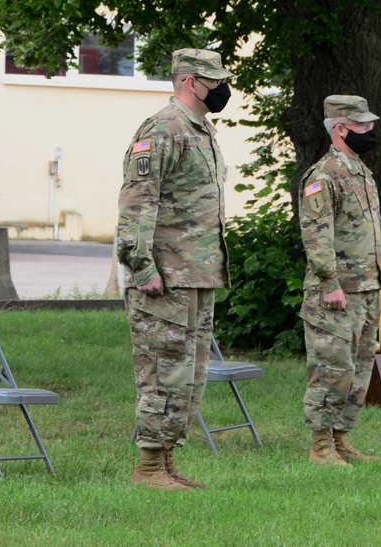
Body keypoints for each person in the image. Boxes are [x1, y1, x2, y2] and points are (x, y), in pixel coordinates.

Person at [116, 48, 232, 491]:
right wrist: (142, 266)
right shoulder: (163, 128)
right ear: (189, 81)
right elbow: (137, 202)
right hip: (165, 276)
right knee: (161, 372)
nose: (221, 88)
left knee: (188, 375)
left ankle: (166, 462)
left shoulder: (201, 130)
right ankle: (147, 467)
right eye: (214, 80)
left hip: (197, 274)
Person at [298, 95, 381, 467]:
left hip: (365, 288)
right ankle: (320, 445)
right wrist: (329, 282)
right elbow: (316, 234)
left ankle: (341, 437)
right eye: (363, 125)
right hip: (336, 291)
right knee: (332, 368)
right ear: (341, 129)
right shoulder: (324, 174)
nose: (370, 131)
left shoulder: (360, 170)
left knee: (359, 368)